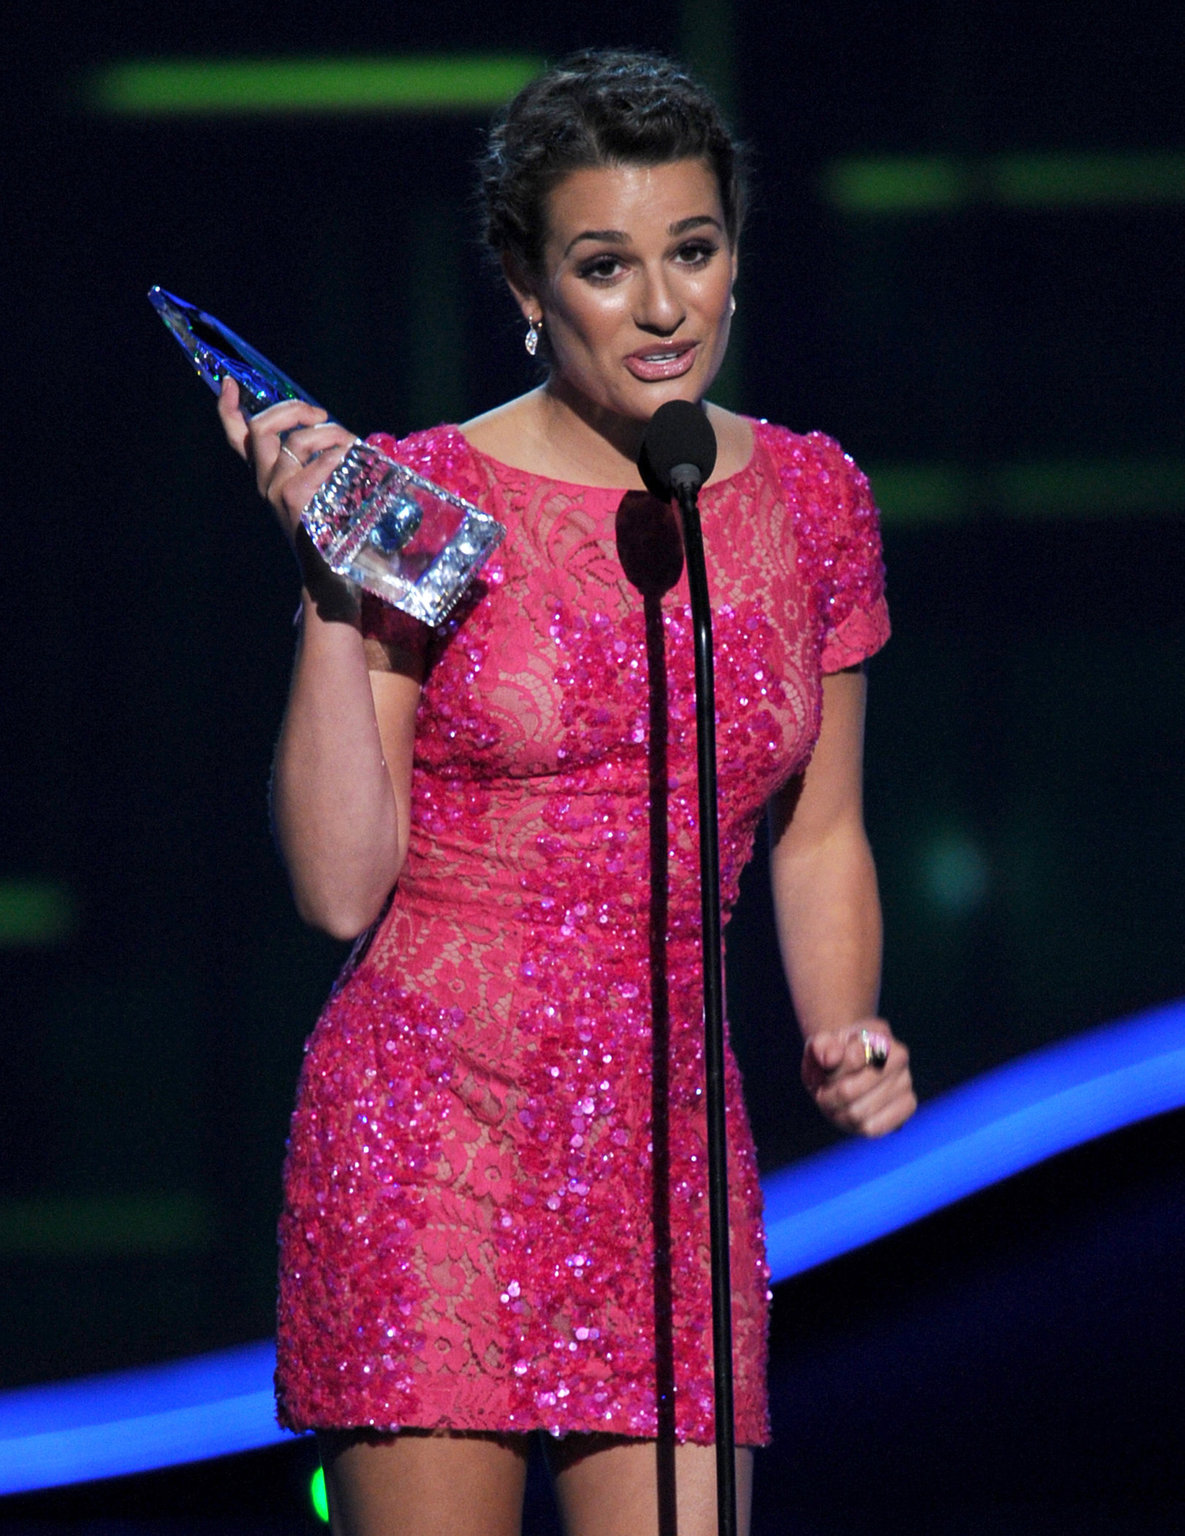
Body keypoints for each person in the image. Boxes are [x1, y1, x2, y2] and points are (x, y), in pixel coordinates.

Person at [217, 47, 916, 1536]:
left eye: (694, 251)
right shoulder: (426, 498)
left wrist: (841, 1022)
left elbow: (823, 828)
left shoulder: (810, 499)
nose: (663, 308)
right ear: (526, 289)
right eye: (606, 266)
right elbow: (340, 887)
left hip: (668, 1150)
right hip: (426, 1137)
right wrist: (333, 594)